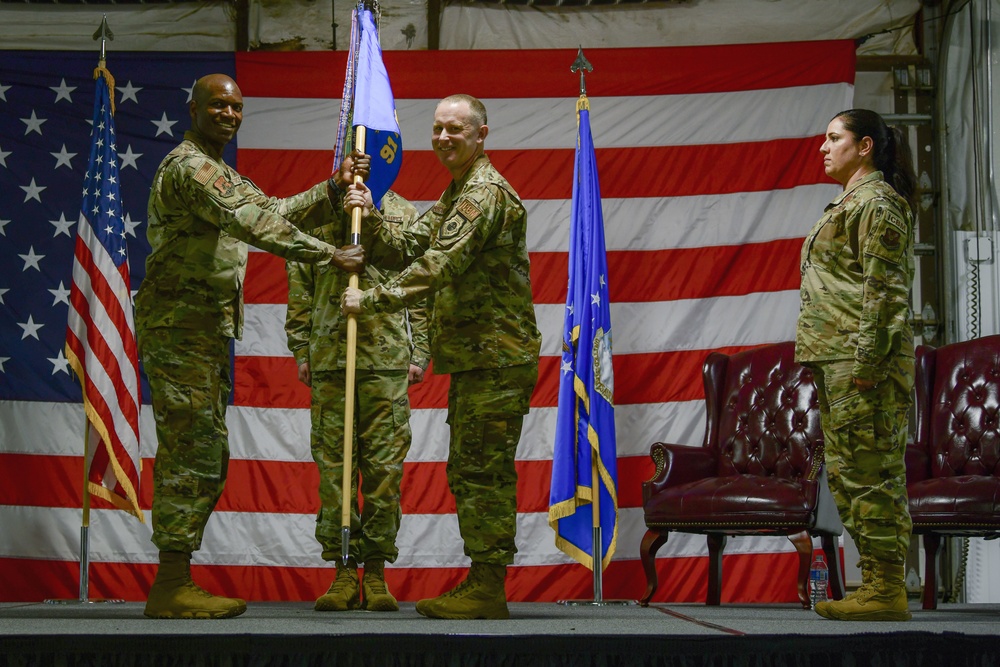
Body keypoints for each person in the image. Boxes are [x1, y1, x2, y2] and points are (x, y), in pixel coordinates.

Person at [136, 73, 365, 620]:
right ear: (193, 109)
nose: (229, 114)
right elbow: (254, 223)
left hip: (201, 328)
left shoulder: (217, 170)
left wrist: (332, 190)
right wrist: (327, 254)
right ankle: (169, 585)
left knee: (206, 451)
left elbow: (273, 212)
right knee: (191, 453)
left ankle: (175, 578)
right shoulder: (191, 168)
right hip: (181, 328)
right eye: (218, 105)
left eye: (237, 107)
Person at [341, 94, 541, 619]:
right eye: (437, 129)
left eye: (457, 129)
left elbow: (438, 263)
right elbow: (410, 243)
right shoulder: (457, 193)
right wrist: (369, 208)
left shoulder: (483, 194)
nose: (444, 137)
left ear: (481, 135)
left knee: (482, 471)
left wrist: (375, 298)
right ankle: (483, 579)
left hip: (496, 357)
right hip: (480, 358)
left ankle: (488, 588)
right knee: (471, 468)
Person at [285, 172, 431, 613]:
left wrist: (420, 351)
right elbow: (299, 291)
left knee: (384, 472)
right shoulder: (318, 217)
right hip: (331, 361)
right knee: (336, 472)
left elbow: (422, 288)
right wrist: (301, 349)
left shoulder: (404, 215)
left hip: (386, 361)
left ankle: (377, 572)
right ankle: (344, 571)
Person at [795, 108, 917, 622]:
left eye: (833, 138)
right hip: (837, 359)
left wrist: (867, 361)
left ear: (864, 146)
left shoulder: (877, 205)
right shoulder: (846, 203)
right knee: (848, 474)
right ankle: (877, 585)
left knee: (872, 473)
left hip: (861, 362)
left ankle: (887, 588)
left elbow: (884, 292)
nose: (823, 147)